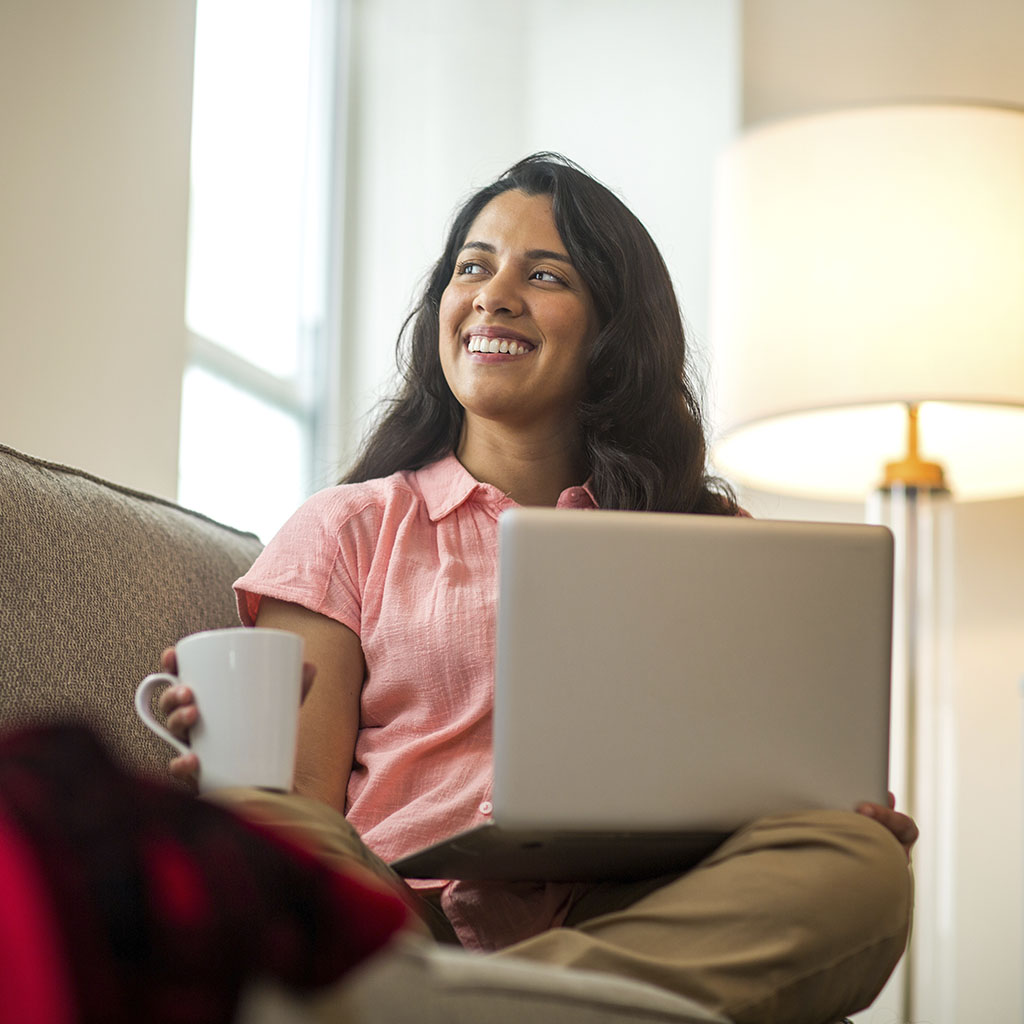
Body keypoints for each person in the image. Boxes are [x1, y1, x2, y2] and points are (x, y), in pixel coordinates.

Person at [159, 153, 916, 1024]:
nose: (492, 294)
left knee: (856, 863)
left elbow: (766, 778)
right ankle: (547, 1005)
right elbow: (297, 800)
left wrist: (827, 806)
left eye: (543, 274)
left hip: (639, 910)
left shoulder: (707, 537)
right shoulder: (347, 528)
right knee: (272, 829)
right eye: (471, 267)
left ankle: (474, 1009)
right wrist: (236, 776)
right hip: (403, 913)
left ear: (611, 328)